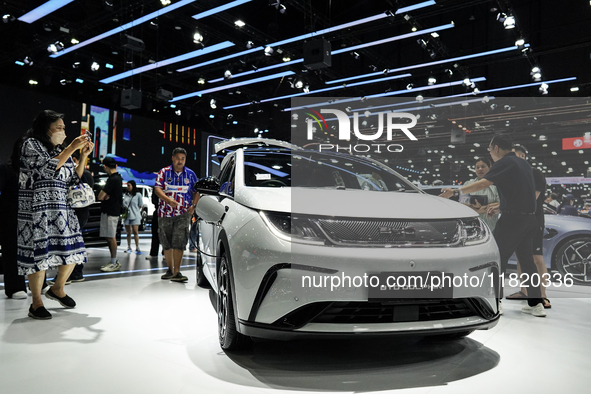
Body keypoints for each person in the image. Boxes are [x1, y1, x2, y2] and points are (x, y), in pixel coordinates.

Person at [440, 134, 546, 317]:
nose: (490, 153)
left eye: (490, 149)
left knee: (497, 259)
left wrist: (456, 191)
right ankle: (536, 303)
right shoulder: (524, 164)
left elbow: (484, 183)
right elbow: (520, 194)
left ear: (496, 148)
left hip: (513, 221)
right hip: (530, 219)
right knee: (527, 261)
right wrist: (500, 207)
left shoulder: (505, 162)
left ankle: (495, 302)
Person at [12, 110, 93, 319]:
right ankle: (36, 302)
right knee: (38, 257)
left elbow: (73, 179)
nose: (63, 131)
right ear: (44, 128)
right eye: (59, 127)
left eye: (64, 128)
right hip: (37, 211)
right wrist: (70, 148)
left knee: (74, 251)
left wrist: (82, 156)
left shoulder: (59, 150)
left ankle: (57, 289)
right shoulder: (31, 145)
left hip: (62, 209)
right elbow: (46, 169)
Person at [506, 145, 551, 309]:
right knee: (522, 258)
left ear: (523, 156)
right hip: (518, 221)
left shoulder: (535, 173)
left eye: (516, 155)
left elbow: (532, 198)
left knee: (536, 258)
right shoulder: (514, 176)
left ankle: (542, 295)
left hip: (534, 220)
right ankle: (525, 291)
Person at [154, 147, 199, 282]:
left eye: (183, 159)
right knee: (166, 242)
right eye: (178, 158)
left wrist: (194, 206)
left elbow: (197, 191)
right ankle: (170, 270)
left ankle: (177, 272)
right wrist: (168, 200)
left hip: (183, 214)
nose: (180, 161)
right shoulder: (164, 172)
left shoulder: (190, 174)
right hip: (164, 213)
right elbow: (157, 188)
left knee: (180, 242)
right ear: (173, 158)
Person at [0, 161, 27, 299]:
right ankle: (15, 286)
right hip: (10, 214)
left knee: (34, 249)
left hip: (29, 212)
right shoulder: (6, 168)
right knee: (11, 249)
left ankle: (41, 282)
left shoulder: (33, 168)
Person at [68, 150, 94, 282]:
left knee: (71, 243)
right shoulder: (88, 175)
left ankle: (68, 275)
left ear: (74, 159)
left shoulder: (74, 173)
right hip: (84, 211)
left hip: (73, 211)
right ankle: (77, 272)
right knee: (78, 242)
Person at [460, 157, 500, 231]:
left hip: (492, 227)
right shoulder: (468, 184)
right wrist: (479, 210)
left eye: (483, 166)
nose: (480, 169)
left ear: (490, 168)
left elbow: (501, 203)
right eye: (477, 167)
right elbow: (462, 204)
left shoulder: (496, 186)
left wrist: (483, 208)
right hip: (471, 227)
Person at [98, 156, 123, 272]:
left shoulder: (113, 179)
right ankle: (113, 261)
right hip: (112, 210)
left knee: (111, 237)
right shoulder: (118, 178)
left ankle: (114, 261)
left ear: (105, 167)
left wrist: (104, 196)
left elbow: (100, 196)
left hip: (111, 211)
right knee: (109, 237)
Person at [122, 180, 143, 254]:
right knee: (128, 232)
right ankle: (128, 246)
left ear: (133, 186)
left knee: (135, 231)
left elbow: (140, 205)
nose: (128, 187)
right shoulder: (126, 195)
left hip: (135, 215)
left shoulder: (138, 195)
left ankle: (137, 246)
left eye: (129, 185)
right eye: (127, 185)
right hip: (127, 215)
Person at [146, 186, 162, 260]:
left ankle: (165, 252)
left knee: (166, 234)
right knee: (155, 233)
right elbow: (154, 200)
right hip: (158, 211)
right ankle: (153, 253)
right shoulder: (156, 188)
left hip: (167, 212)